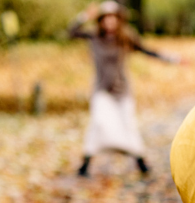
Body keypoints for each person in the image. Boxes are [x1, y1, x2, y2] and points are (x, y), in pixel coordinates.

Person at [69, 2, 178, 177]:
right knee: (97, 123)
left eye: (113, 18)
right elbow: (71, 32)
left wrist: (171, 58)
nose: (110, 21)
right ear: (101, 20)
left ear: (119, 20)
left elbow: (146, 50)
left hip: (122, 91)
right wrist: (84, 17)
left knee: (129, 125)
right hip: (102, 89)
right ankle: (85, 164)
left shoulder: (126, 37)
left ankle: (140, 161)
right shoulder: (95, 37)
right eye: (106, 18)